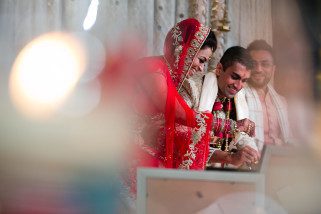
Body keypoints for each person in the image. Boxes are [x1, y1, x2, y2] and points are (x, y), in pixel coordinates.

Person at [124, 18, 257, 197]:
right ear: (184, 51)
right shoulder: (155, 72)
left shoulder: (172, 76)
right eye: (201, 60)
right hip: (127, 147)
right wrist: (232, 126)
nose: (201, 68)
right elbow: (182, 116)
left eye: (205, 63)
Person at [180, 46, 260, 168]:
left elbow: (242, 137)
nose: (238, 86)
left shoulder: (239, 98)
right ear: (219, 69)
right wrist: (230, 158)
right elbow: (182, 143)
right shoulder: (191, 87)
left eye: (244, 80)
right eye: (234, 77)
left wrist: (252, 153)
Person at [244, 40, 292, 151]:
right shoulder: (238, 97)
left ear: (273, 69)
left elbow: (289, 138)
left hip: (278, 162)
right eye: (253, 64)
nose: (258, 69)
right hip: (246, 163)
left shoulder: (282, 102)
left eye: (265, 64)